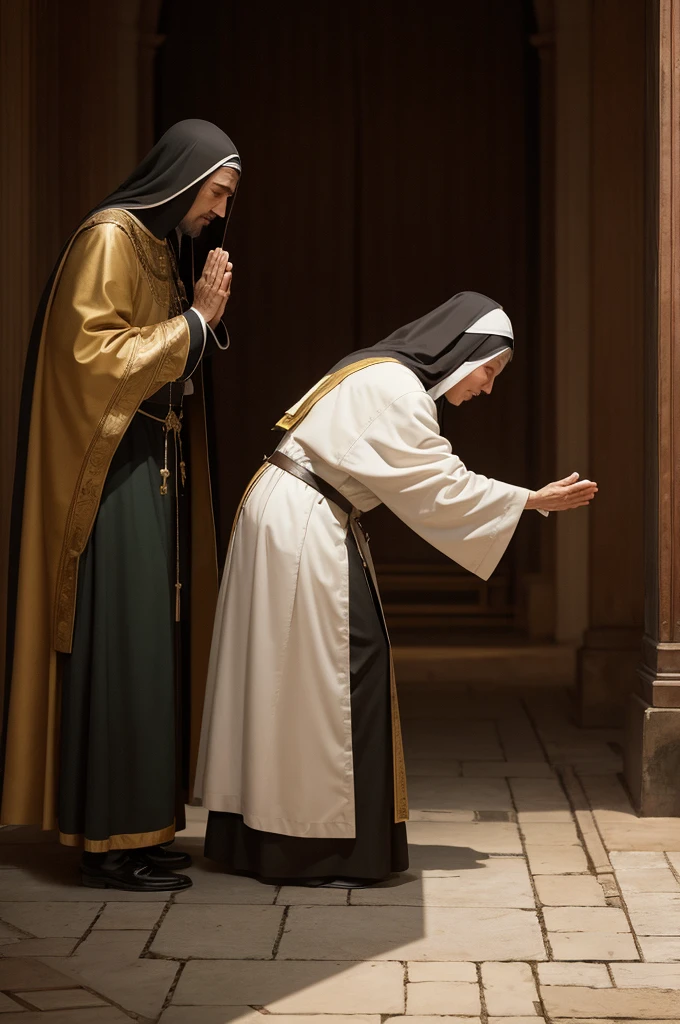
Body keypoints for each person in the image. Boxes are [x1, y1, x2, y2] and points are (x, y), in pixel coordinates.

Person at [195, 291, 598, 889]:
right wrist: (529, 500)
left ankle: (268, 835)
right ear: (464, 352)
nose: (488, 388)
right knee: (340, 671)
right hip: (302, 521)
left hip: (294, 513)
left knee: (296, 678)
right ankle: (314, 842)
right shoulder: (399, 390)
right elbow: (439, 484)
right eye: (490, 371)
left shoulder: (385, 376)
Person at [1, 119, 241, 892]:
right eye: (217, 192)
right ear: (185, 175)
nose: (220, 211)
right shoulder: (109, 237)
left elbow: (159, 358)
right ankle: (108, 840)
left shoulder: (158, 246)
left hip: (149, 471)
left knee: (150, 652)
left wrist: (196, 333)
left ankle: (144, 825)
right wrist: (195, 323)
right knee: (122, 649)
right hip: (110, 483)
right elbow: (92, 358)